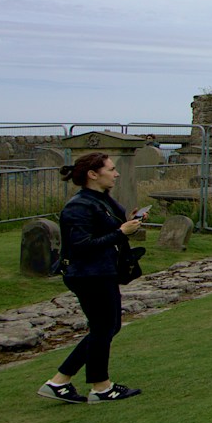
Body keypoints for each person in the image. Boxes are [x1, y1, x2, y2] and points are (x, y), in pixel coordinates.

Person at [38, 152, 146, 404]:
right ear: (93, 174)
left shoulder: (99, 199)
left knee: (108, 327)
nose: (116, 173)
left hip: (102, 270)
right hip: (88, 274)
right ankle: (100, 387)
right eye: (111, 169)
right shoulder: (79, 205)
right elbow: (81, 245)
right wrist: (121, 232)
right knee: (103, 328)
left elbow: (106, 229)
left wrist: (129, 223)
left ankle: (61, 381)